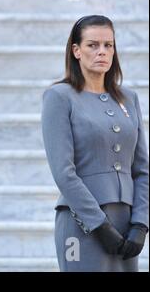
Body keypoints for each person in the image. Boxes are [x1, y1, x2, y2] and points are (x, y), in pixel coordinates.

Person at [42, 15, 149, 271]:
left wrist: (141, 224)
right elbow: (64, 173)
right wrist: (99, 226)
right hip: (81, 223)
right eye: (93, 45)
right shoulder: (59, 97)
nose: (102, 51)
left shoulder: (128, 98)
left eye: (108, 45)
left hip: (126, 223)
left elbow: (142, 169)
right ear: (76, 51)